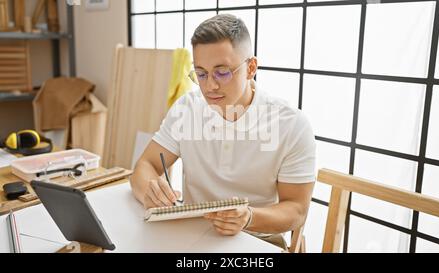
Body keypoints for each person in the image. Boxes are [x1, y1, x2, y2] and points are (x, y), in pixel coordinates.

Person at [130, 14, 316, 249]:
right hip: (189, 236)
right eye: (201, 73)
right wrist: (151, 190)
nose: (210, 86)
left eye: (222, 72)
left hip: (256, 240)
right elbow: (145, 165)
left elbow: (297, 210)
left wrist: (248, 217)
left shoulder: (291, 124)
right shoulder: (187, 108)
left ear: (251, 68)